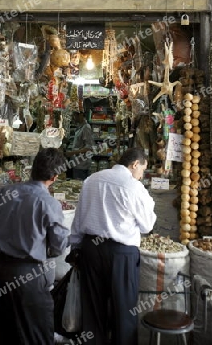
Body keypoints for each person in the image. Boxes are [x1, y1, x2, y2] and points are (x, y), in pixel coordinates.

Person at [68, 147, 156, 345]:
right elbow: (147, 225)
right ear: (135, 164)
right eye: (142, 170)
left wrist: (75, 248)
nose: (141, 176)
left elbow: (79, 218)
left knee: (92, 309)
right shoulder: (133, 187)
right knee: (124, 310)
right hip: (121, 255)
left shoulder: (91, 180)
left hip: (90, 250)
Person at [0, 148, 70, 345]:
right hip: (26, 277)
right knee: (35, 335)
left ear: (33, 169)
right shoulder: (48, 203)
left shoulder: (4, 192)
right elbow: (58, 246)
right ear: (55, 176)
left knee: (4, 332)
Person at [66, 110, 95, 180]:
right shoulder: (80, 127)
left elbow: (89, 148)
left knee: (79, 186)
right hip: (77, 164)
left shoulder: (86, 128)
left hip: (82, 165)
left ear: (81, 115)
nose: (73, 118)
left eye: (75, 115)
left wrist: (72, 153)